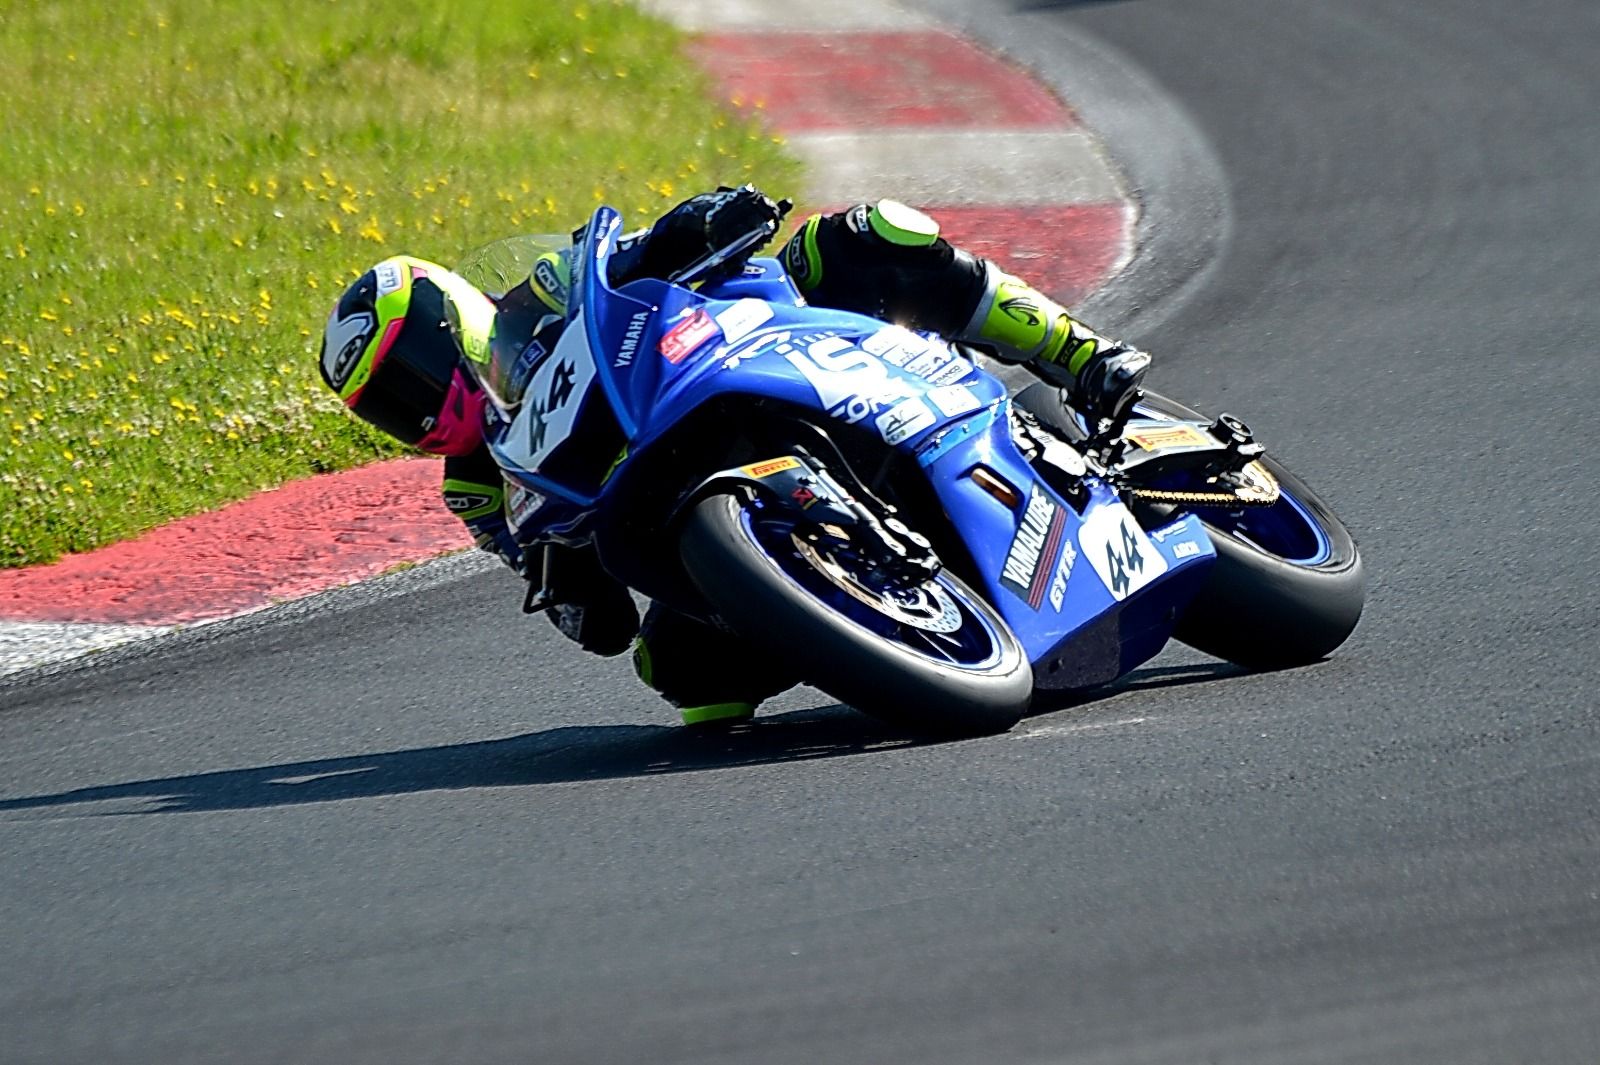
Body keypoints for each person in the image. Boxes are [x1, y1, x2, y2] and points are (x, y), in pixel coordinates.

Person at [318, 185, 1149, 724]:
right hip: (671, 501)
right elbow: (597, 624)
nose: (416, 410)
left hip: (745, 356)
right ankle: (872, 620)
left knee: (861, 236)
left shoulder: (538, 295)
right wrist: (566, 584)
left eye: (412, 372)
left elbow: (624, 259)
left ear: (451, 321)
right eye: (387, 407)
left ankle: (1081, 355)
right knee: (683, 676)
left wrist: (696, 222)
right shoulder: (477, 488)